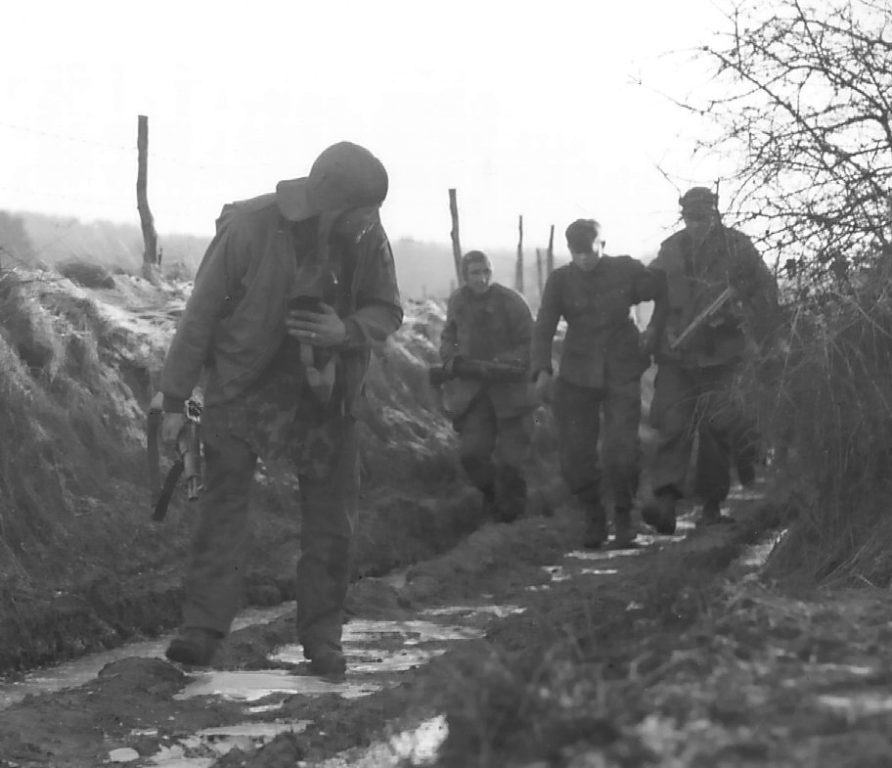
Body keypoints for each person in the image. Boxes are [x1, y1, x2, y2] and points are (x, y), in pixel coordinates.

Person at [158, 141, 402, 677]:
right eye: (363, 211)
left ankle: (322, 639)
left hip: (327, 391)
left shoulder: (367, 234)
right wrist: (174, 398)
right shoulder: (250, 225)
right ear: (330, 200)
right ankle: (200, 632)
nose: (371, 222)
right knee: (222, 508)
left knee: (332, 519)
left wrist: (347, 331)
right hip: (246, 384)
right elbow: (200, 313)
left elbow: (388, 309)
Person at [642, 186, 778, 533]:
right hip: (678, 353)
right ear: (683, 216)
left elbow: (765, 289)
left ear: (715, 214)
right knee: (674, 425)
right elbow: (653, 287)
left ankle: (711, 505)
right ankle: (666, 503)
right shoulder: (671, 248)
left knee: (716, 429)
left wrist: (735, 314)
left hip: (722, 356)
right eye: (690, 218)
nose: (696, 224)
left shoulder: (738, 245)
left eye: (703, 217)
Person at [531, 219, 666, 549]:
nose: (584, 260)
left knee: (620, 451)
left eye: (589, 252)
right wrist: (542, 368)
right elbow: (544, 326)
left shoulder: (625, 270)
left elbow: (663, 291)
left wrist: (653, 332)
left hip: (621, 369)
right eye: (577, 254)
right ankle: (594, 517)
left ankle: (623, 519)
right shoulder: (561, 280)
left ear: (602, 245)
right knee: (575, 456)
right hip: (578, 374)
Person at [438, 250, 537, 522]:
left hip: (511, 393)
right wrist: (452, 359)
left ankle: (514, 519)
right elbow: (449, 336)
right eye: (475, 273)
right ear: (464, 275)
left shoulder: (512, 302)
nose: (482, 279)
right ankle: (493, 498)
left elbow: (531, 343)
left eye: (486, 272)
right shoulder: (458, 301)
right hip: (475, 394)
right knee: (471, 455)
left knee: (511, 462)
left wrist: (502, 362)